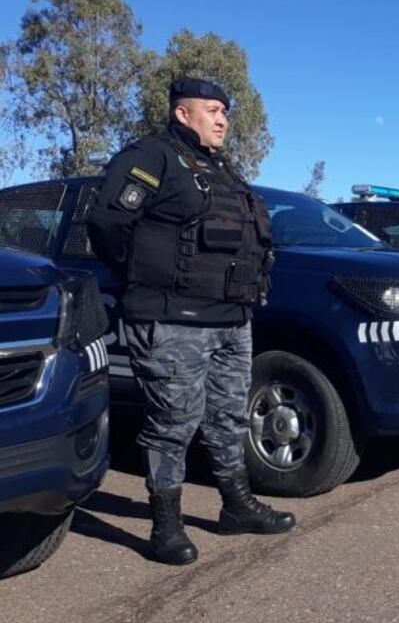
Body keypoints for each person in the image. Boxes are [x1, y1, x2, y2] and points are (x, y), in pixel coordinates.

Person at [86, 78, 294, 566]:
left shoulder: (221, 169)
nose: (223, 119)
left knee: (228, 417)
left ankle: (236, 507)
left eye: (225, 112)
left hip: (231, 318)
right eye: (213, 110)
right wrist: (144, 280)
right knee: (172, 424)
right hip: (171, 319)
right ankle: (166, 525)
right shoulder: (151, 156)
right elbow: (108, 224)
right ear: (183, 113)